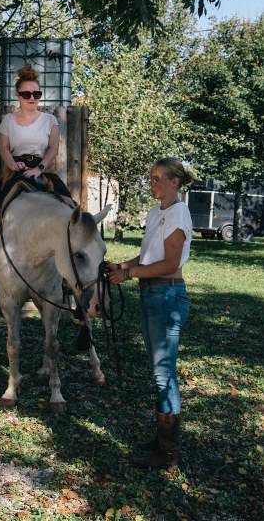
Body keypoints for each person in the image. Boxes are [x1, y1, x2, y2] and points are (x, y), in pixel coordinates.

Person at [108, 158, 195, 469]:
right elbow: (149, 256)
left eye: (159, 178)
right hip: (151, 294)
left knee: (164, 373)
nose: (153, 183)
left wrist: (131, 274)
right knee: (160, 371)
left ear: (175, 182)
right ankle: (163, 440)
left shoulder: (178, 213)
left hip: (167, 295)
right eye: (151, 177)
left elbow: (171, 264)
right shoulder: (155, 212)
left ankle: (169, 453)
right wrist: (123, 266)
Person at [0, 64, 73, 298]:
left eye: (36, 94)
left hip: (43, 170)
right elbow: (4, 148)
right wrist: (13, 166)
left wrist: (39, 168)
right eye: (26, 94)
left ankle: (72, 273)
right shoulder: (8, 120)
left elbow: (52, 148)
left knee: (73, 212)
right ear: (18, 96)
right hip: (15, 170)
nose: (32, 98)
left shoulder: (49, 120)